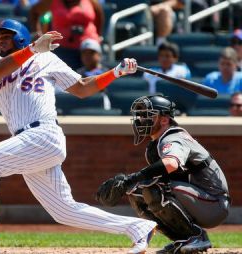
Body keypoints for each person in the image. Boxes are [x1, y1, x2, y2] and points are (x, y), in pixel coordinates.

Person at [0, 19, 157, 254]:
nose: (1, 40)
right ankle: (138, 227)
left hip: (43, 134)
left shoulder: (46, 59)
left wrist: (116, 72)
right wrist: (33, 49)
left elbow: (82, 88)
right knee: (64, 211)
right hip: (26, 142)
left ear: (22, 38)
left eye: (7, 36)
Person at [96, 94, 230, 253]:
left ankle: (197, 237)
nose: (141, 120)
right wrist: (130, 183)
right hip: (199, 199)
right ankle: (182, 240)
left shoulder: (172, 137)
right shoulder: (156, 144)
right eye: (140, 115)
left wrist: (132, 178)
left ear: (164, 120)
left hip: (214, 204)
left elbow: (171, 164)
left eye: (148, 116)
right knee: (135, 190)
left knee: (154, 189)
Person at [29, 0, 104, 70]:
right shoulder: (52, 1)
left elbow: (99, 15)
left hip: (88, 49)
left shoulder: (90, 1)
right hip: (61, 50)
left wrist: (98, 35)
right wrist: (36, 33)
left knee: (91, 78)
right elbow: (34, 12)